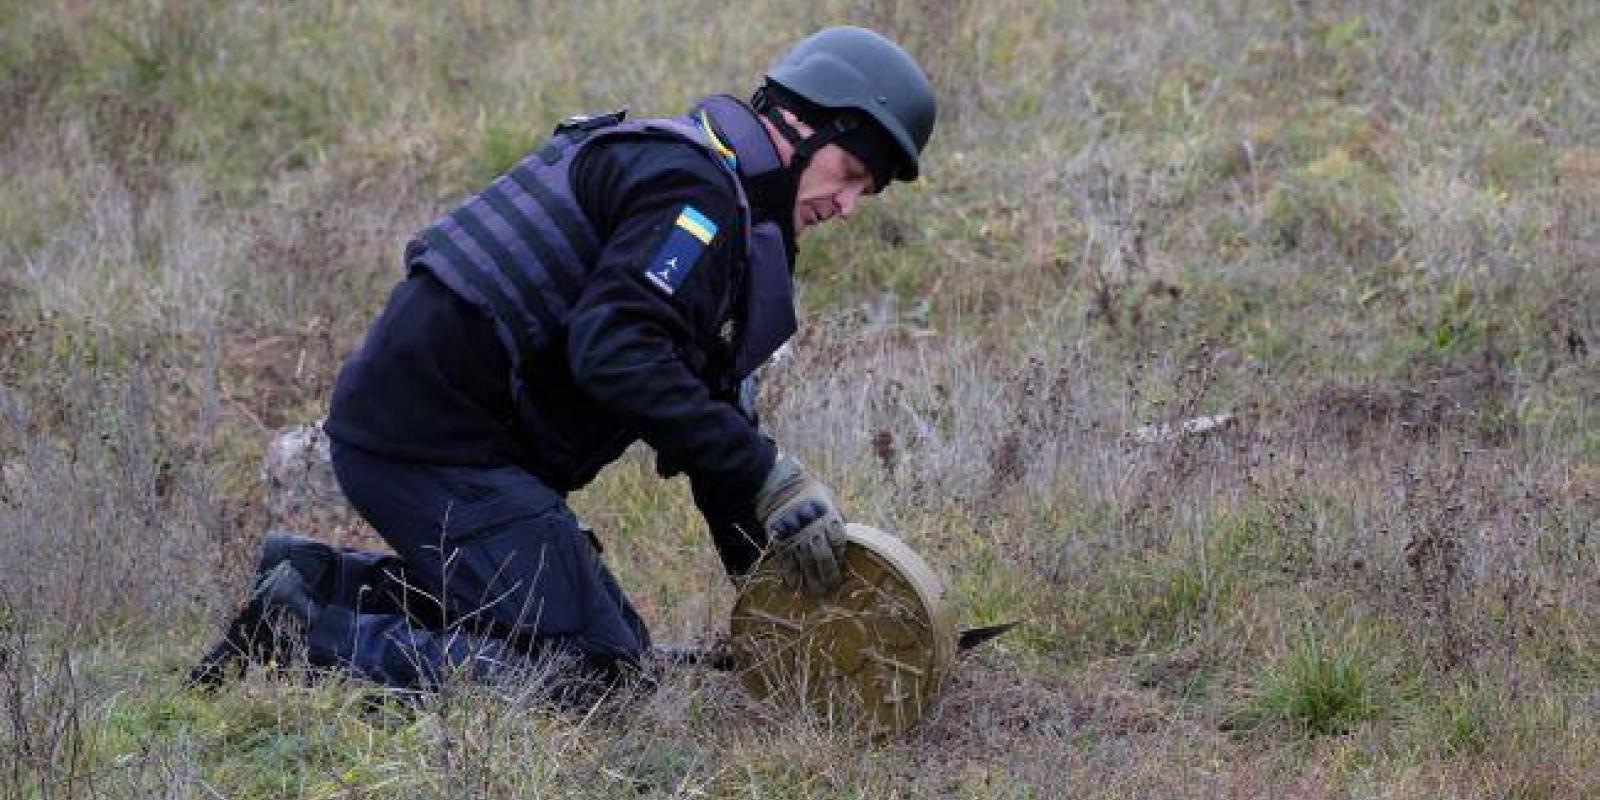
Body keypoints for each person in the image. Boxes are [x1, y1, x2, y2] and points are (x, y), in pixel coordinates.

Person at [190, 26, 936, 700]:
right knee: (592, 678)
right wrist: (772, 472)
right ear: (804, 123)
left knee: (616, 649)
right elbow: (614, 353)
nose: (846, 205)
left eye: (863, 193)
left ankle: (317, 580)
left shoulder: (714, 197)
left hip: (441, 441)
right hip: (431, 448)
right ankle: (302, 636)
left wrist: (782, 586)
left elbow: (704, 419)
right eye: (848, 173)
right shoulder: (696, 197)